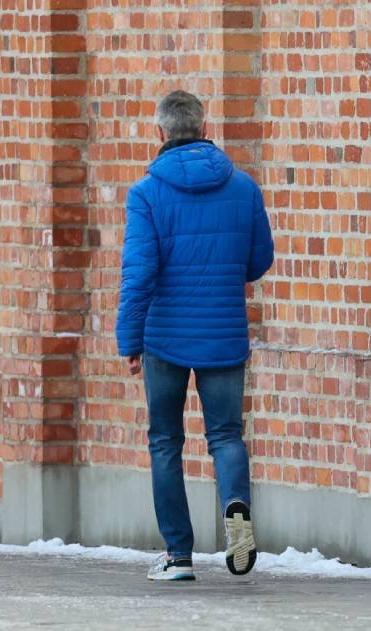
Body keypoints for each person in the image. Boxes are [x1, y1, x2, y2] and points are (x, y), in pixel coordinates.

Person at [116, 90, 274, 581]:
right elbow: (259, 261)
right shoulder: (243, 187)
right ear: (207, 131)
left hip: (164, 338)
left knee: (166, 441)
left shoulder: (145, 193)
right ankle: (236, 507)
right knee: (225, 434)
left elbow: (139, 273)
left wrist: (130, 339)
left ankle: (178, 556)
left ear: (159, 134)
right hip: (224, 333)